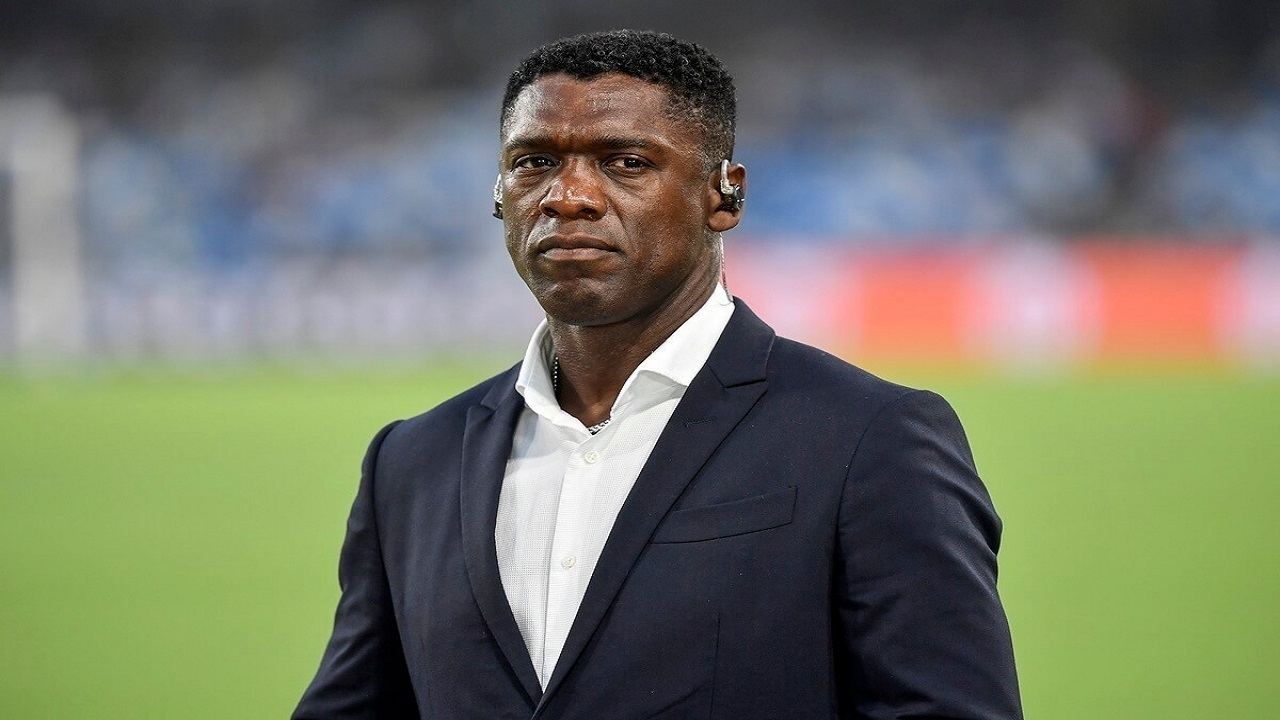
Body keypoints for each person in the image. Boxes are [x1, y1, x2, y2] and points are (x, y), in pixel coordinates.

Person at [294, 30, 1021, 720]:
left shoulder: (871, 439)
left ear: (724, 195)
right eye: (534, 162)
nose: (568, 196)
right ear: (498, 193)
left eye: (626, 163)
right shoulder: (410, 463)